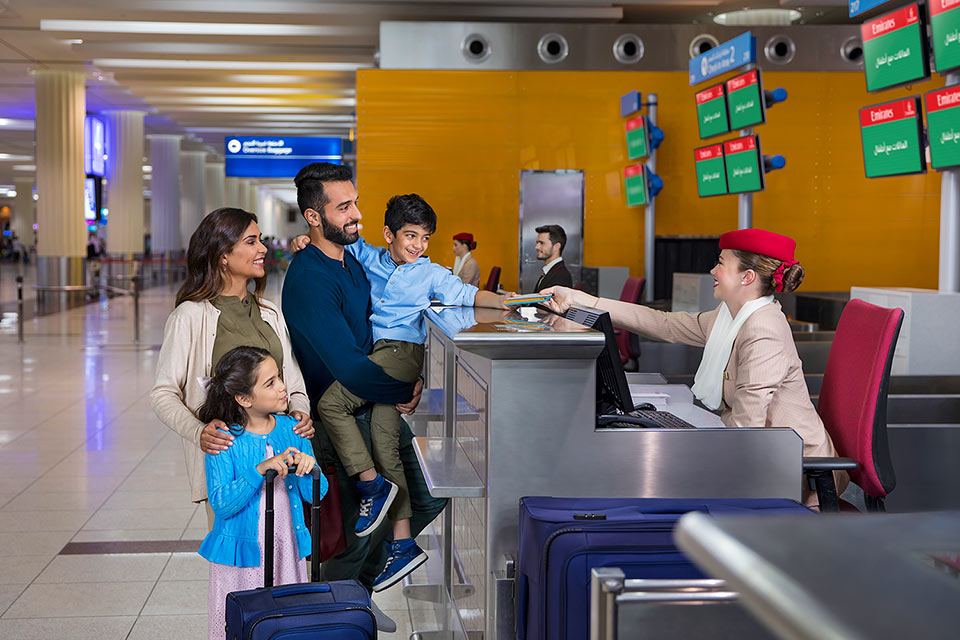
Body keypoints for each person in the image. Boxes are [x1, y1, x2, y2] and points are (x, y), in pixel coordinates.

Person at [542, 228, 846, 508]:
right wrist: (585, 300)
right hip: (765, 458)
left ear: (747, 277)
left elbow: (746, 429)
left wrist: (687, 450)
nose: (713, 270)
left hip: (797, 474)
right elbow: (666, 324)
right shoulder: (729, 317)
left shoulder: (762, 328)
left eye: (721, 263)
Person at [281, 163, 447, 630]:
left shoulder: (350, 260)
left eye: (355, 202)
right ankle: (334, 609)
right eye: (344, 207)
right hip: (338, 415)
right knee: (356, 528)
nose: (356, 213)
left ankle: (361, 589)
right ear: (315, 217)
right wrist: (404, 388)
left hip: (371, 400)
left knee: (430, 496)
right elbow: (347, 365)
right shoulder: (311, 277)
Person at [314, 195, 508, 591]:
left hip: (401, 355)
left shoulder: (432, 273)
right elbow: (334, 243)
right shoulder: (369, 258)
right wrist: (305, 240)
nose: (418, 245)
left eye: (425, 237)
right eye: (410, 235)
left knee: (332, 404)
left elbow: (469, 296)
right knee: (386, 446)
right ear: (389, 234)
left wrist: (515, 303)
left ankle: (370, 485)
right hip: (380, 355)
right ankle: (402, 542)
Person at [151, 208, 315, 529]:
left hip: (282, 452)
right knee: (239, 561)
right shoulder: (190, 316)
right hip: (230, 462)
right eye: (251, 242)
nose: (263, 249)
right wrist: (199, 432)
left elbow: (293, 381)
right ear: (223, 255)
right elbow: (163, 394)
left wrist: (300, 412)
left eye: (261, 240)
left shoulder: (269, 312)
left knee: (283, 555)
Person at [197, 346, 323, 640]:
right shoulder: (224, 439)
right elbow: (222, 503)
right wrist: (259, 470)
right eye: (270, 383)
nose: (282, 388)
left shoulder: (293, 429)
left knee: (286, 623)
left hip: (286, 545)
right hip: (241, 556)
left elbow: (317, 494)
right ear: (243, 398)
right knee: (244, 624)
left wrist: (309, 468)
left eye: (279, 378)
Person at [534, 224, 573, 291]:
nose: (537, 247)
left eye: (542, 243)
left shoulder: (561, 276)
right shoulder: (550, 271)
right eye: (537, 243)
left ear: (556, 246)